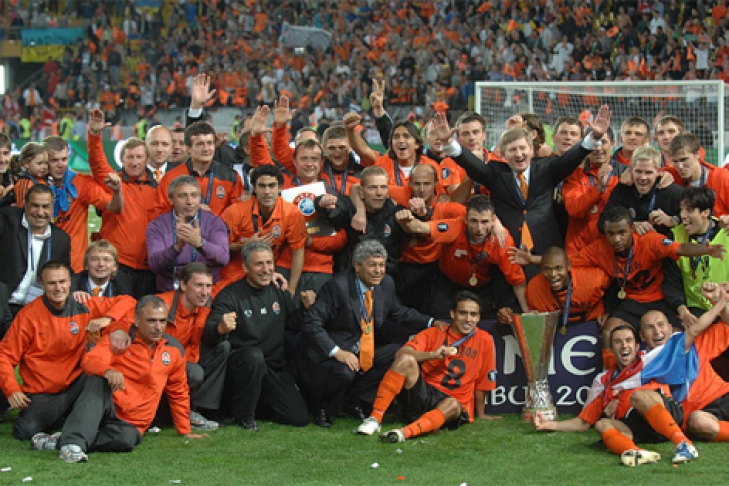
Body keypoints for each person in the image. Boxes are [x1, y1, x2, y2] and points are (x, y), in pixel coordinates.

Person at [437, 106, 611, 277]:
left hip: (545, 254)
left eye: (522, 148)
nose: (519, 154)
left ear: (531, 149)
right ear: (504, 154)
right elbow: (472, 165)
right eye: (512, 150)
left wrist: (594, 136)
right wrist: (448, 143)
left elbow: (570, 159)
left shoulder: (546, 168)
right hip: (507, 255)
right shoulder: (496, 173)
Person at [293, 240, 445, 427]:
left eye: (381, 265)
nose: (378, 271)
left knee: (397, 354)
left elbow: (398, 312)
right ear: (357, 266)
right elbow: (311, 323)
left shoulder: (386, 284)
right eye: (372, 265)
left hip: (362, 350)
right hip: (332, 353)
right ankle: (322, 408)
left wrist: (431, 322)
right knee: (345, 371)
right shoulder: (338, 287)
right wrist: (337, 352)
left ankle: (354, 402)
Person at [40, 295, 207, 463]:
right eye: (151, 321)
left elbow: (178, 390)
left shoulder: (173, 350)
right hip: (107, 408)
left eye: (162, 321)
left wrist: (185, 430)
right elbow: (90, 360)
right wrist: (108, 371)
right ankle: (72, 445)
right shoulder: (119, 339)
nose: (158, 327)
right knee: (97, 380)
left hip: (133, 423)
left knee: (126, 440)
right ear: (137, 320)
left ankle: (61, 441)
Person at [0, 261, 134, 441]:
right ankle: (69, 419)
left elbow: (129, 302)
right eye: (52, 283)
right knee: (24, 431)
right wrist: (12, 390)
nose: (58, 288)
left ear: (70, 282)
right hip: (44, 392)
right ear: (42, 285)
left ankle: (88, 421)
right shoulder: (28, 316)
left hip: (77, 384)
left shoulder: (84, 305)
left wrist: (110, 320)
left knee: (98, 377)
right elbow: (5, 355)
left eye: (62, 282)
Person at [532, 324, 698, 466]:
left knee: (638, 396)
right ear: (611, 349)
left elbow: (689, 336)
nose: (624, 346)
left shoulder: (650, 361)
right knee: (602, 424)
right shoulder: (605, 383)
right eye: (618, 342)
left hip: (667, 412)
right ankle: (635, 452)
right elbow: (583, 423)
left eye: (628, 340)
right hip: (641, 428)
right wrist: (550, 425)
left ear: (637, 346)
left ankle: (683, 443)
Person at [571, 206, 725, 355]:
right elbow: (568, 263)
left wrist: (706, 250)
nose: (617, 239)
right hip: (631, 302)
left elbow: (680, 248)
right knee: (609, 333)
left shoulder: (649, 241)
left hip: (660, 300)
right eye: (611, 234)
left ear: (632, 229)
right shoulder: (599, 249)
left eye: (622, 232)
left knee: (675, 336)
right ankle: (613, 372)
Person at [356, 291, 497, 442]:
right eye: (463, 313)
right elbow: (401, 353)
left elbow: (483, 380)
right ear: (452, 314)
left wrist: (481, 413)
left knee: (453, 404)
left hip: (452, 403)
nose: (468, 319)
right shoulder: (434, 333)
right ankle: (374, 419)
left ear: (479, 317)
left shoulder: (485, 340)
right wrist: (432, 355)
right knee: (405, 360)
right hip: (423, 396)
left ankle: (403, 433)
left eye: (473, 314)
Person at [204, 242, 310, 431]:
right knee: (253, 356)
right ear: (245, 267)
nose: (266, 269)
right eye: (259, 264)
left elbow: (293, 325)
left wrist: (305, 308)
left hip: (273, 367)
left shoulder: (278, 291)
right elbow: (209, 332)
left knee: (298, 418)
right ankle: (244, 417)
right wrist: (220, 328)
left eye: (269, 263)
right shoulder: (229, 296)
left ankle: (259, 404)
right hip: (242, 367)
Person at [109, 263, 228, 431]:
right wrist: (119, 330)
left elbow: (229, 281)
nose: (205, 292)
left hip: (182, 358)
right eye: (199, 285)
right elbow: (128, 319)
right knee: (194, 372)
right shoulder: (161, 304)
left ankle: (195, 410)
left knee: (222, 347)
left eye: (208, 286)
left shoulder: (204, 304)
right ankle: (165, 415)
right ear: (183, 285)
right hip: (151, 361)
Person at [396, 195, 528, 321]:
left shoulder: (502, 240)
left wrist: (527, 311)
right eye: (474, 221)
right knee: (441, 324)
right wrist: (405, 220)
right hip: (447, 286)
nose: (479, 228)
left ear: (493, 221)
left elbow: (517, 281)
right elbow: (418, 227)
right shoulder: (455, 227)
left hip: (482, 288)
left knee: (482, 326)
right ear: (466, 219)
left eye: (484, 222)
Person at [640, 286, 729, 443]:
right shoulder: (642, 368)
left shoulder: (692, 343)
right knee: (699, 422)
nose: (657, 331)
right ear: (642, 336)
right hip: (700, 416)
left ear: (670, 328)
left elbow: (726, 324)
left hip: (724, 395)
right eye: (649, 327)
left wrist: (718, 302)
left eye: (661, 325)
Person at [87, 110, 159, 298]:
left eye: (139, 157)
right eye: (130, 157)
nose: (134, 162)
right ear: (122, 159)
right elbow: (97, 163)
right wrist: (94, 135)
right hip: (119, 266)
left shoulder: (158, 188)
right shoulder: (113, 181)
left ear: (147, 160)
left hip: (149, 267)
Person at [44, 135, 124, 273]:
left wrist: (117, 192)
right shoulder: (35, 185)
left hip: (74, 266)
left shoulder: (81, 183)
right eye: (54, 160)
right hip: (43, 263)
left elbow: (114, 208)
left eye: (64, 159)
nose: (60, 165)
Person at [219, 165, 307, 288]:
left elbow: (298, 252)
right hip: (235, 271)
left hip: (268, 272)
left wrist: (291, 291)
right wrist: (245, 246)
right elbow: (218, 249)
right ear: (254, 188)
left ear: (280, 188)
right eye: (262, 186)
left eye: (272, 186)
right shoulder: (235, 211)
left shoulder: (292, 213)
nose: (267, 192)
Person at [316, 166, 409, 273]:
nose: (379, 193)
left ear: (388, 191)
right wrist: (322, 203)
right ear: (361, 192)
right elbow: (335, 207)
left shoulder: (396, 212)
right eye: (372, 188)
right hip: (352, 274)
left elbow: (416, 223)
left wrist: (420, 215)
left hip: (386, 275)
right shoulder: (350, 207)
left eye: (383, 187)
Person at [147, 176, 230, 291]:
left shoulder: (214, 222)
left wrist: (200, 243)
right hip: (171, 289)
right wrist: (177, 247)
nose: (189, 202)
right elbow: (155, 265)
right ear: (171, 199)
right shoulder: (157, 225)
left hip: (207, 290)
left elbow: (223, 258)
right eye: (182, 196)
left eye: (194, 195)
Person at [0, 184, 71, 316]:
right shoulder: (8, 221)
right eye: (35, 205)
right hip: (4, 306)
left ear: (52, 208)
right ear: (26, 205)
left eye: (45, 207)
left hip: (35, 312)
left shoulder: (61, 239)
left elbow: (66, 272)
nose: (40, 212)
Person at [561, 127, 628, 256]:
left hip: (612, 249)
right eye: (594, 144)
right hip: (579, 251)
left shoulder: (625, 174)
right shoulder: (574, 173)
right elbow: (574, 209)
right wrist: (598, 188)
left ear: (613, 144)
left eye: (603, 142)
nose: (598, 148)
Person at [156, 121, 243, 217]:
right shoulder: (171, 178)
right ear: (188, 148)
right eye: (200, 144)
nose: (206, 149)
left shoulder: (231, 177)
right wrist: (188, 211)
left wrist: (216, 225)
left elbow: (238, 213)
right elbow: (161, 214)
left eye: (210, 143)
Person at [670, 187, 729, 316]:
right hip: (693, 311)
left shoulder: (726, 232)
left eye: (689, 210)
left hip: (725, 308)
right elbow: (671, 281)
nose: (683, 215)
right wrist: (682, 310)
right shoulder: (675, 236)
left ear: (706, 212)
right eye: (681, 210)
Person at [600, 146, 683, 237]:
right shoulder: (622, 189)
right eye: (638, 172)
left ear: (658, 172)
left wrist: (672, 220)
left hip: (664, 244)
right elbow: (602, 223)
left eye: (648, 172)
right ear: (631, 170)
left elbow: (692, 219)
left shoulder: (673, 192)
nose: (643, 177)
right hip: (633, 245)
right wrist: (631, 225)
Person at [526, 247, 610, 333]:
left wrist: (609, 312)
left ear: (568, 266)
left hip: (593, 324)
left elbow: (613, 289)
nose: (553, 274)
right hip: (557, 329)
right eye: (547, 269)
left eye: (558, 268)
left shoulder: (593, 279)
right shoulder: (534, 288)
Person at [668, 133, 729, 217]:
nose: (680, 166)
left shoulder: (722, 178)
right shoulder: (672, 176)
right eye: (675, 161)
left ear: (698, 154)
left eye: (684, 159)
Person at [12, 141, 49, 209]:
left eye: (46, 163)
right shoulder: (24, 182)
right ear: (26, 164)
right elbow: (22, 207)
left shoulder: (44, 179)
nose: (44, 167)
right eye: (39, 163)